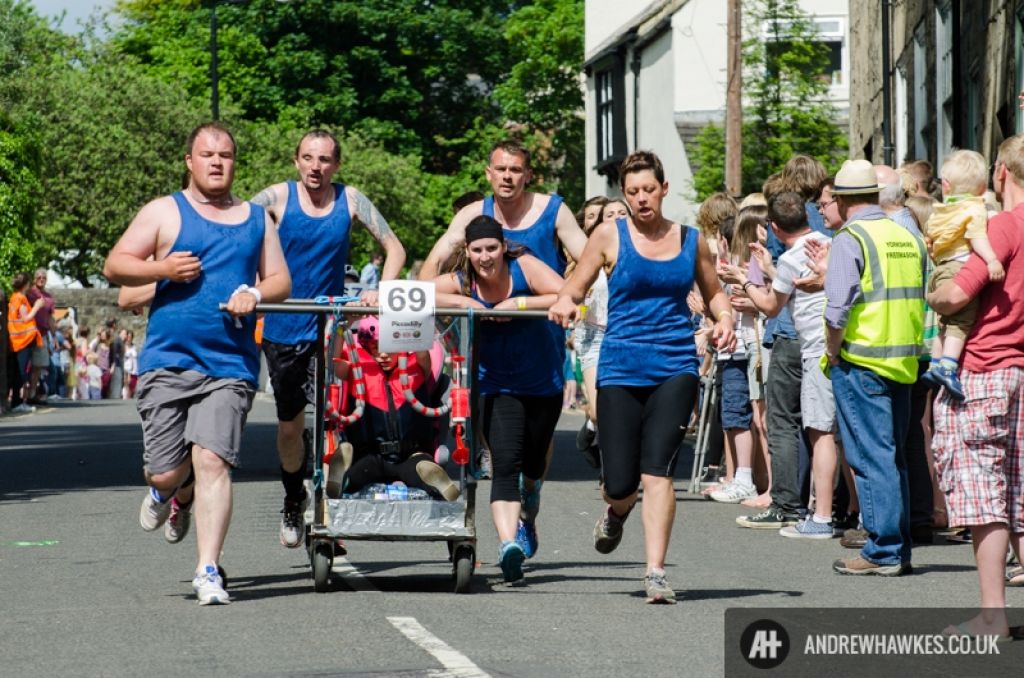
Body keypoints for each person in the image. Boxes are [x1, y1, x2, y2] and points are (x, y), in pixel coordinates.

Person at [103, 122, 291, 605]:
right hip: (169, 359)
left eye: (225, 155)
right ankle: (174, 494)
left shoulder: (256, 218)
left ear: (234, 162)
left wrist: (253, 292)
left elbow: (280, 281)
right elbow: (116, 265)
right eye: (207, 154)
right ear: (189, 160)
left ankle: (208, 569)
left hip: (230, 362)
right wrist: (162, 268)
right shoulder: (164, 212)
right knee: (163, 472)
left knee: (213, 460)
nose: (216, 162)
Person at [550, 151, 736, 604]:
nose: (640, 199)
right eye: (631, 192)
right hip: (620, 367)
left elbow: (714, 295)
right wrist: (565, 303)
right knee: (620, 483)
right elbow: (574, 287)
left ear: (664, 189)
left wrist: (725, 319)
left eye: (648, 190)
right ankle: (616, 512)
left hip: (675, 366)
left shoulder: (691, 241)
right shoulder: (608, 236)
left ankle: (655, 572)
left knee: (658, 472)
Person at [249, 128, 405, 549]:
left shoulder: (350, 200)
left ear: (336, 164)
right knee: (290, 427)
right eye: (308, 158)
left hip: (331, 325)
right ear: (296, 161)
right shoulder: (275, 199)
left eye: (324, 160)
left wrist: (379, 292)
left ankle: (330, 507)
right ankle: (293, 498)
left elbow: (395, 249)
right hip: (283, 326)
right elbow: (235, 237)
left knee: (336, 419)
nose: (316, 167)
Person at [433, 215, 565, 583]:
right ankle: (509, 544)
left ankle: (531, 497)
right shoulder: (464, 281)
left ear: (503, 247)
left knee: (533, 460)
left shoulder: (524, 267)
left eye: (491, 248)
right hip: (494, 385)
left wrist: (517, 306)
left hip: (543, 383)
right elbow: (423, 290)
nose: (485, 256)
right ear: (468, 252)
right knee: (505, 463)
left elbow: (566, 293)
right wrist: (467, 306)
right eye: (477, 250)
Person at [928, 134, 1024, 639]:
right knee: (1020, 496)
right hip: (1022, 371)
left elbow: (957, 294)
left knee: (986, 499)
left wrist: (935, 292)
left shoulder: (1002, 225)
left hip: (984, 368)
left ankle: (993, 615)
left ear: (1001, 175)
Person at [822, 159, 925, 576]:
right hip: (903, 359)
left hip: (861, 358)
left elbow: (837, 311)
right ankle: (897, 547)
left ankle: (882, 549)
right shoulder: (907, 236)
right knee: (893, 456)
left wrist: (833, 353)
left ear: (845, 200)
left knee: (870, 456)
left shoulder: (851, 238)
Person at [719, 192, 839, 538]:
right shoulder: (826, 243)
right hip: (829, 341)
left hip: (813, 345)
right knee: (825, 428)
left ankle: (809, 511)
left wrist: (742, 280)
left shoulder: (790, 258)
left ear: (772, 227)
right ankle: (827, 509)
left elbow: (771, 305)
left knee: (812, 429)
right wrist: (770, 269)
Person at [330, 315, 458, 501]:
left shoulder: (418, 366)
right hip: (371, 455)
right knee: (359, 473)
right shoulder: (357, 370)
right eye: (375, 349)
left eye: (389, 349)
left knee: (420, 467)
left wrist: (410, 316)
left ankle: (438, 481)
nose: (383, 355)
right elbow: (334, 362)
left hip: (411, 454)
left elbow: (422, 350)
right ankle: (341, 478)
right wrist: (344, 325)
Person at [419, 139, 587, 279]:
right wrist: (426, 313)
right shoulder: (470, 215)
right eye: (500, 169)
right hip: (488, 316)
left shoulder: (554, 210)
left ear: (528, 175)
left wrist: (571, 293)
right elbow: (436, 262)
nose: (507, 176)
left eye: (515, 170)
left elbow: (590, 260)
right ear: (489, 173)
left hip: (546, 315)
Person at [920, 150, 1004, 400]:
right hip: (958, 268)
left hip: (940, 269)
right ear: (982, 188)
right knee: (961, 321)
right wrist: (992, 260)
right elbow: (976, 237)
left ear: (945, 185)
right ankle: (948, 366)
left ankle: (934, 365)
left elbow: (931, 239)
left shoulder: (941, 210)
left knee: (944, 322)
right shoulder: (975, 209)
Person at [575, 199, 630, 468]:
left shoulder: (640, 252)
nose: (617, 217)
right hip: (594, 335)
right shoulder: (589, 253)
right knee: (599, 411)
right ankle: (589, 427)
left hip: (627, 335)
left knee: (619, 410)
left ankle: (612, 473)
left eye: (622, 212)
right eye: (611, 214)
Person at [6, 272, 44, 413]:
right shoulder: (21, 298)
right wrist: (37, 306)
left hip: (17, 340)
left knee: (17, 371)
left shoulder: (14, 297)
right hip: (23, 340)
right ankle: (17, 402)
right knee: (21, 372)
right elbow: (25, 318)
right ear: (26, 284)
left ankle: (16, 401)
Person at [25, 268, 54, 404]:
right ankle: (26, 395)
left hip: (42, 335)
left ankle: (32, 394)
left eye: (44, 277)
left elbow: (50, 317)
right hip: (29, 334)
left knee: (39, 365)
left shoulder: (48, 297)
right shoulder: (30, 294)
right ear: (34, 279)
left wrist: (53, 335)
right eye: (39, 277)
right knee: (28, 365)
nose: (41, 279)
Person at [122, 330, 139, 398]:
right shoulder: (123, 347)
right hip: (127, 372)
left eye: (130, 337)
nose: (129, 338)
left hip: (135, 372)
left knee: (134, 391)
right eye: (128, 337)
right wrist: (127, 374)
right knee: (127, 392)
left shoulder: (134, 347)